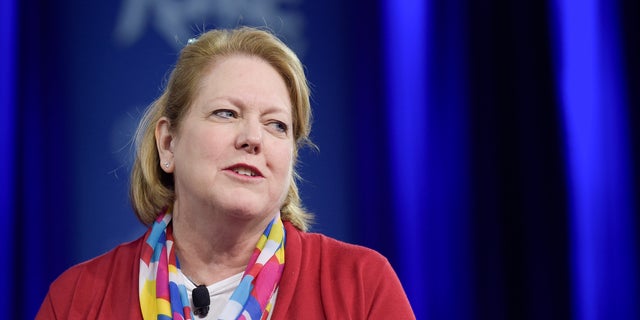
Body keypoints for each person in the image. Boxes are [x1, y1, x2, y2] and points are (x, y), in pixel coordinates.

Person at [36, 26, 414, 319]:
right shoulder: (77, 299)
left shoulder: (361, 285)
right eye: (226, 113)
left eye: (277, 125)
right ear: (168, 144)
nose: (253, 138)